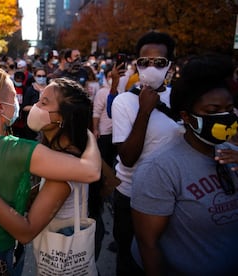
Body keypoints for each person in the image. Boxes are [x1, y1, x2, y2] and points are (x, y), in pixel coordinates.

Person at [0, 69, 101, 275]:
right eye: (14, 98)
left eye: (43, 102)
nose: (29, 106)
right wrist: (90, 135)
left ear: (63, 117)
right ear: (1, 107)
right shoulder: (22, 151)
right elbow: (92, 171)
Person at [131, 54, 238, 275]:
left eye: (229, 109)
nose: (224, 117)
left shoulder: (234, 155)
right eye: (212, 111)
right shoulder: (160, 169)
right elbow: (148, 244)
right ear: (186, 117)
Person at [111, 31, 183, 275]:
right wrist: (144, 111)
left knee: (164, 260)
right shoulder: (123, 102)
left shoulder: (181, 99)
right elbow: (128, 158)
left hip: (173, 198)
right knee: (130, 263)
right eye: (144, 62)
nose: (151, 67)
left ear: (170, 66)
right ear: (136, 64)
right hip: (130, 196)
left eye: (159, 62)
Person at [21, 67, 48, 140]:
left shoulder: (49, 89)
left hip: (47, 124)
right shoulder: (30, 90)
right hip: (32, 125)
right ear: (34, 76)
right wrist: (38, 107)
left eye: (43, 76)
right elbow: (24, 107)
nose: (41, 78)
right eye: (39, 76)